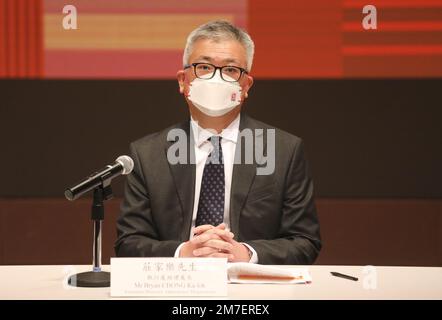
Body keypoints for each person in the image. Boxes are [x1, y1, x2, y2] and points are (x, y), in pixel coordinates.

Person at [115, 20, 321, 265]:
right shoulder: (147, 155)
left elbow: (305, 241)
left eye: (231, 70)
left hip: (252, 288)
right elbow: (128, 242)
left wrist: (246, 253)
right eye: (204, 67)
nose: (217, 79)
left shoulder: (283, 151)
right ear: (183, 81)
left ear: (246, 86)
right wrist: (184, 253)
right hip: (175, 286)